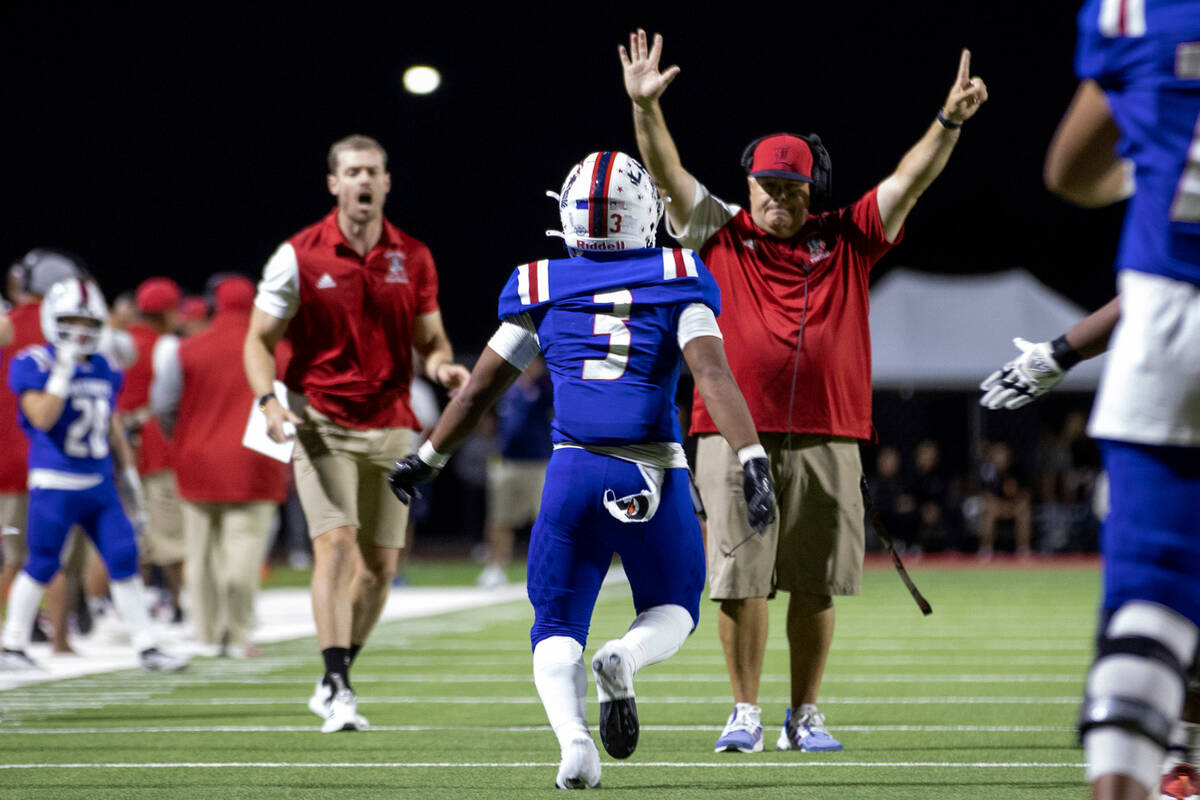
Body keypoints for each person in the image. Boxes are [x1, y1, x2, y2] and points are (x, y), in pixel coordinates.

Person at [619, 29, 988, 752]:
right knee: (739, 578)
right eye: (768, 185)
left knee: (817, 581)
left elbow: (911, 179)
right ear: (748, 184)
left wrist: (948, 122)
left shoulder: (848, 234)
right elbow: (666, 175)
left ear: (809, 185)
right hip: (734, 436)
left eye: (792, 185)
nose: (781, 197)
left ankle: (804, 715)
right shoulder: (720, 231)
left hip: (831, 431)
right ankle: (745, 713)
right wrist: (644, 109)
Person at [388, 150, 775, 789]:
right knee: (674, 608)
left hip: (570, 474)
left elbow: (478, 391)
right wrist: (752, 457)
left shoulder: (540, 283)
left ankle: (574, 744)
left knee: (555, 626)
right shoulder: (680, 271)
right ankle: (625, 655)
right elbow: (711, 372)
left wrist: (427, 458)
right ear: (645, 212)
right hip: (652, 471)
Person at [982, 3, 1199, 798]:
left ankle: (1156, 769)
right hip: (1163, 323)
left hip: (1174, 331)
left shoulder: (1140, 13)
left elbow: (1071, 173)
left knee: (1150, 604)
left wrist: (1146, 168)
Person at [243, 134, 469, 733]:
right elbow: (258, 340)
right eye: (352, 171)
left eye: (372, 170)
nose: (363, 180)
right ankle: (339, 683)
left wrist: (443, 365)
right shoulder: (299, 254)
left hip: (392, 423)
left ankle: (335, 674)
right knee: (335, 544)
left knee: (380, 568)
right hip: (321, 420)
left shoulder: (413, 255)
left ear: (386, 183)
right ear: (334, 184)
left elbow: (432, 338)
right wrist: (268, 400)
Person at [0, 278, 186, 672]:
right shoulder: (36, 362)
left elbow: (112, 421)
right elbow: (41, 416)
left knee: (124, 555)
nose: (79, 331)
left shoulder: (103, 365)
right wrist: (63, 372)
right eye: (69, 320)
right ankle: (12, 644)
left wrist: (129, 470)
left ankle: (147, 645)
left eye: (87, 322)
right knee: (43, 562)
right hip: (55, 481)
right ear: (53, 319)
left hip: (99, 481)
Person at [152, 275, 289, 658]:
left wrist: (182, 438)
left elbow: (163, 404)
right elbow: (296, 403)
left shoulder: (189, 348)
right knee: (242, 553)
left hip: (196, 460)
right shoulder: (278, 350)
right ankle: (237, 633)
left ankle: (208, 636)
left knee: (200, 554)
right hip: (255, 463)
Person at [1, 250, 88, 654]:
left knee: (18, 555)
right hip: (55, 458)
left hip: (8, 457)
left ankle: (25, 636)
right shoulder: (74, 328)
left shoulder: (10, 326)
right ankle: (59, 638)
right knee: (47, 555)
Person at [120, 277, 185, 623]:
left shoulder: (117, 343)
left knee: (131, 538)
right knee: (172, 538)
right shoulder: (167, 346)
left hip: (118, 451)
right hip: (157, 450)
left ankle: (133, 610)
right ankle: (180, 604)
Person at [478, 355, 553, 589]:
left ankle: (549, 569)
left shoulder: (547, 386)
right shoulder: (508, 388)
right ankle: (495, 567)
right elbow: (489, 418)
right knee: (499, 519)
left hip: (538, 463)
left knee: (544, 520)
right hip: (507, 462)